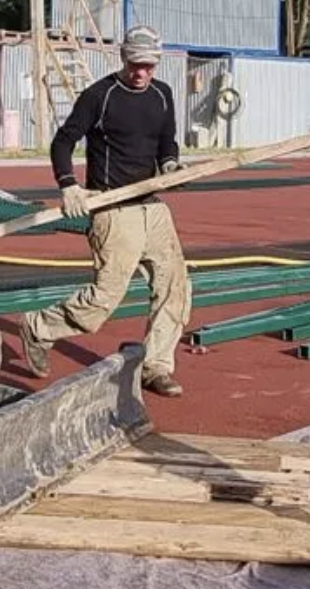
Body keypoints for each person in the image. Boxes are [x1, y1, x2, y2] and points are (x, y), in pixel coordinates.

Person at [16, 25, 191, 397]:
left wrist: (172, 166)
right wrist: (69, 184)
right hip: (113, 210)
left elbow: (166, 142)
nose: (141, 73)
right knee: (103, 299)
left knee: (175, 286)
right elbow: (63, 143)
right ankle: (38, 327)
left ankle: (157, 365)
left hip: (152, 208)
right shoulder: (101, 95)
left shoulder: (162, 94)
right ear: (123, 58)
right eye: (134, 64)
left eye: (148, 65)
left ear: (156, 62)